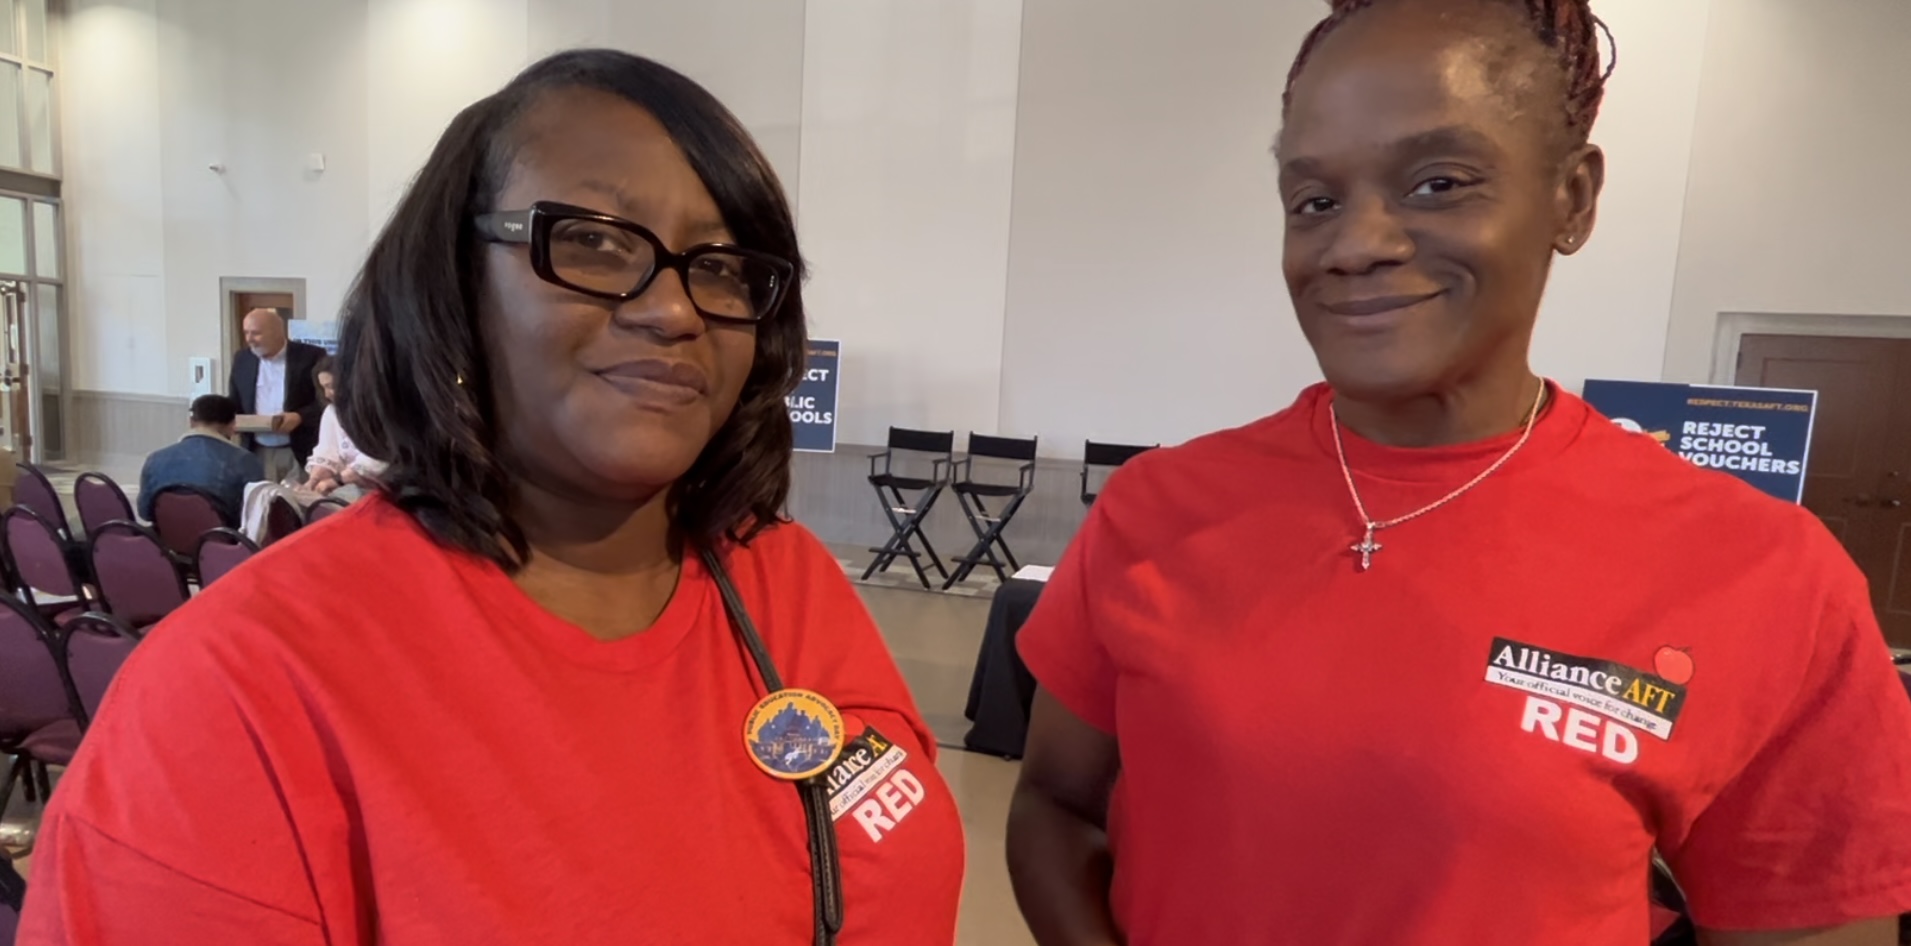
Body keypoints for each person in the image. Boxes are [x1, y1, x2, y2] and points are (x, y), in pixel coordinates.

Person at [1006, 2, 1911, 945]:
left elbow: (1804, 922)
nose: (1355, 244)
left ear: (1572, 198)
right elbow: (1055, 808)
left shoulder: (1763, 571)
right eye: (1313, 200)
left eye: (1438, 183)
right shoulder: (1158, 508)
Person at [22, 50, 963, 944]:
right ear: (453, 285)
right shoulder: (237, 696)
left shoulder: (785, 578)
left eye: (721, 267)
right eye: (592, 242)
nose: (675, 309)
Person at [228, 307, 326, 482]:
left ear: (277, 332)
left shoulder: (311, 356)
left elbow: (326, 401)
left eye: (256, 333)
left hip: (299, 451)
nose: (250, 339)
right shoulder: (242, 359)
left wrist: (299, 417)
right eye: (246, 333)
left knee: (300, 505)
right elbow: (234, 401)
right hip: (257, 451)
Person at [135, 394, 264, 524]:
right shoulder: (246, 462)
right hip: (225, 540)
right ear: (232, 425)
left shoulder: (155, 459)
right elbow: (255, 518)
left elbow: (145, 512)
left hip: (166, 541)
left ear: (191, 422)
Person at [303, 355, 385, 499]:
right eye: (324, 388)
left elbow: (378, 457)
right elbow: (327, 449)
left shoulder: (377, 409)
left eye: (331, 387)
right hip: (350, 489)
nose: (327, 394)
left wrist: (338, 480)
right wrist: (316, 477)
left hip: (381, 489)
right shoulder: (332, 412)